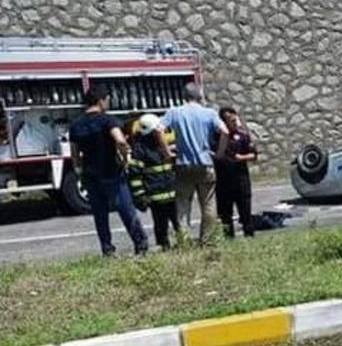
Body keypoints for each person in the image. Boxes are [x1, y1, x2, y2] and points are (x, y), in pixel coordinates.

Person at [69, 85, 148, 256]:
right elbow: (119, 140)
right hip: (111, 173)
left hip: (91, 175)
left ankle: (107, 249)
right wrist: (126, 155)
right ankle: (140, 245)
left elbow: (74, 153)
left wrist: (79, 170)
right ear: (101, 100)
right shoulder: (107, 120)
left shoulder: (75, 125)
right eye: (107, 99)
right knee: (126, 209)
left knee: (100, 215)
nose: (108, 103)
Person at [160, 83, 228, 244]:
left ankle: (184, 240)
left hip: (183, 164)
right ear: (200, 96)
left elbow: (158, 129)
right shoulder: (209, 113)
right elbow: (225, 131)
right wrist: (219, 153)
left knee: (183, 204)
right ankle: (208, 239)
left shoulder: (175, 112)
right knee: (208, 203)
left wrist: (166, 152)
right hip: (205, 163)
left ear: (184, 96)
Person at [128, 114, 180, 250]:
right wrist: (140, 196)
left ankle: (183, 245)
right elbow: (135, 176)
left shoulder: (162, 145)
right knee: (161, 225)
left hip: (172, 193)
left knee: (178, 223)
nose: (161, 132)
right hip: (156, 196)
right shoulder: (140, 150)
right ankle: (164, 246)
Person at [215, 107, 257, 238]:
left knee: (245, 213)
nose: (235, 123)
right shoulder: (216, 138)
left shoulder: (242, 137)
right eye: (231, 120)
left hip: (241, 180)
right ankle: (229, 239)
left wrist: (242, 158)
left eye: (235, 119)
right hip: (223, 182)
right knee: (225, 216)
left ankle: (249, 236)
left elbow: (253, 155)